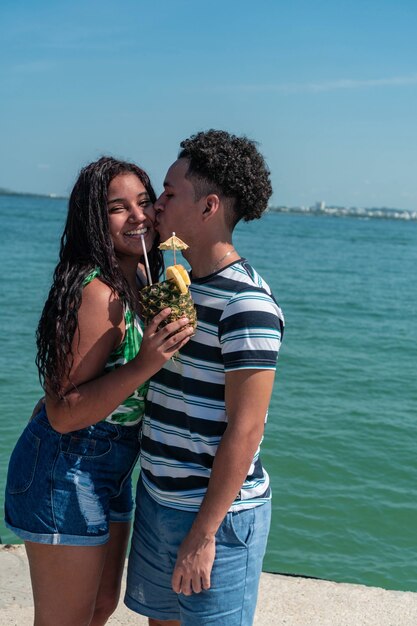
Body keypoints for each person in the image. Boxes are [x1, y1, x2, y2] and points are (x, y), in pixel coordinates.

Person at [4, 156, 193, 626]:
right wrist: (145, 363)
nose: (139, 216)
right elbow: (63, 412)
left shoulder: (146, 281)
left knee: (100, 607)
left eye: (145, 202)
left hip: (114, 464)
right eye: (117, 208)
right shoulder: (98, 292)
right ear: (94, 219)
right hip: (65, 465)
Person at [124, 130, 285, 626]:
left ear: (209, 206)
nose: (156, 207)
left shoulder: (247, 303)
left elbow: (247, 428)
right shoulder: (179, 285)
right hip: (156, 499)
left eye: (169, 194)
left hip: (216, 519)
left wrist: (202, 535)